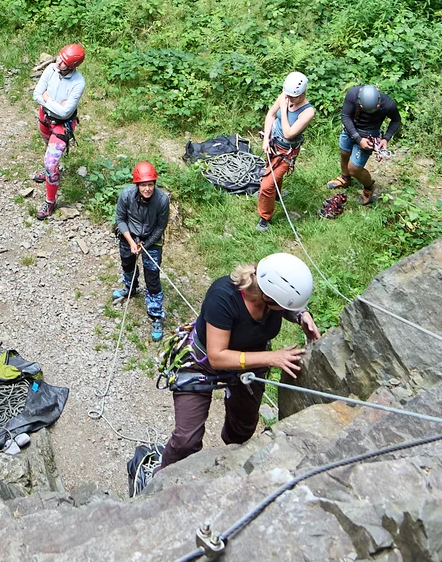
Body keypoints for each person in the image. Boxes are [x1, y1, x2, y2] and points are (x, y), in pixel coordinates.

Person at [160, 253, 320, 468]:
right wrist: (271, 358)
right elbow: (217, 357)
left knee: (243, 431)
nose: (284, 310)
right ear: (268, 297)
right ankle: (161, 478)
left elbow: (286, 304)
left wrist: (301, 315)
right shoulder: (223, 297)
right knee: (185, 441)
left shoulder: (270, 296)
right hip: (203, 363)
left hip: (250, 363)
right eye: (283, 306)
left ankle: (227, 465)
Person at [113, 161, 170, 340]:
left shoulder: (162, 200)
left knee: (152, 277)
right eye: (144, 185)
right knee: (127, 264)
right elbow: (120, 219)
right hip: (129, 236)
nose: (147, 189)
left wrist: (146, 244)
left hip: (151, 240)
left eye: (150, 184)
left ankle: (155, 315)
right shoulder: (126, 195)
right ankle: (130, 287)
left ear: (154, 184)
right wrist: (131, 242)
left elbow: (161, 226)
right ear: (137, 184)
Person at [31, 44, 86, 220]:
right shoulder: (51, 69)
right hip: (45, 119)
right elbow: (36, 94)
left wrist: (47, 98)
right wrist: (54, 103)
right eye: (59, 57)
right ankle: (49, 172)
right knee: (48, 147)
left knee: (50, 163)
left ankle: (50, 201)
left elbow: (65, 112)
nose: (58, 62)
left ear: (72, 66)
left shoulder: (78, 83)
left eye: (64, 62)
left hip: (61, 126)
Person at [256, 72, 315, 232]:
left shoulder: (307, 112)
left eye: (292, 97)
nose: (288, 99)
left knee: (267, 184)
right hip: (273, 141)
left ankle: (264, 217)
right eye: (287, 95)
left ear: (302, 93)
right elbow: (271, 114)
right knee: (271, 172)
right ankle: (275, 195)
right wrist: (266, 138)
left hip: (286, 150)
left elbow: (289, 133)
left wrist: (284, 107)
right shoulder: (286, 95)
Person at [330, 83, 401, 206]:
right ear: (360, 104)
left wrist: (386, 138)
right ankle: (345, 178)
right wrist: (357, 138)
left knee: (354, 168)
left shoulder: (388, 103)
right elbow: (345, 116)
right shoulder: (352, 94)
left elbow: (396, 120)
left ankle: (369, 187)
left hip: (369, 135)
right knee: (344, 153)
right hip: (350, 130)